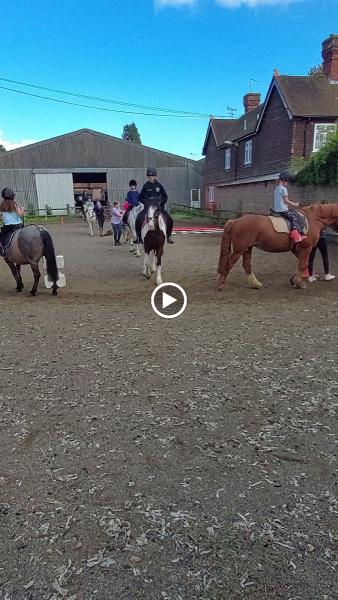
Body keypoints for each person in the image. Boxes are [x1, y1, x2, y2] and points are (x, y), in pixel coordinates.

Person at [135, 168, 174, 244]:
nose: (151, 177)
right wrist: (146, 203)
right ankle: (138, 238)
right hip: (148, 209)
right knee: (138, 218)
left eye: (152, 176)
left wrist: (161, 203)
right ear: (147, 177)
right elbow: (140, 197)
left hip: (158, 208)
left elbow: (165, 196)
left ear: (155, 176)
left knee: (170, 219)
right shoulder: (145, 186)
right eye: (149, 176)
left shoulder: (159, 186)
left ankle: (169, 236)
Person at [273, 172, 305, 244]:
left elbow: (282, 200)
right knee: (293, 217)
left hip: (277, 209)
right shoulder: (283, 189)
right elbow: (286, 201)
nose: (287, 183)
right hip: (282, 210)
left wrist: (289, 202)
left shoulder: (277, 188)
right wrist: (295, 204)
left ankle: (299, 232)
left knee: (292, 212)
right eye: (287, 181)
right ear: (284, 180)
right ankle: (295, 236)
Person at [0, 187, 24, 256]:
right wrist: (22, 210)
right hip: (18, 225)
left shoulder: (2, 205)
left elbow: (3, 217)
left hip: (8, 227)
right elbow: (20, 214)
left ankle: (2, 250)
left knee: (1, 237)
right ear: (11, 196)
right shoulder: (14, 204)